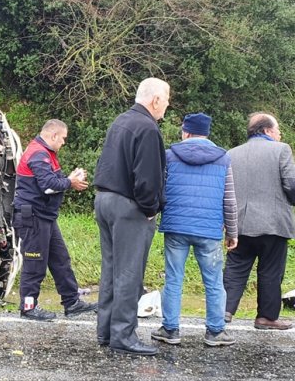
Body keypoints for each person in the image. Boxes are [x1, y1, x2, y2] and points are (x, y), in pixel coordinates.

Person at [93, 77, 170, 356]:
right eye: (167, 98)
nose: (168, 104)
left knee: (112, 269)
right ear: (155, 100)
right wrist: (150, 209)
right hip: (129, 206)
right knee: (128, 272)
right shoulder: (148, 128)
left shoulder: (121, 121)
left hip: (104, 199)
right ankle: (123, 335)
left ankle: (106, 331)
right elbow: (147, 178)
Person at [151, 113, 238, 347]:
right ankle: (215, 332)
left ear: (186, 132)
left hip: (176, 227)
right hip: (209, 230)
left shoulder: (169, 156)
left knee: (174, 279)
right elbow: (229, 199)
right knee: (213, 281)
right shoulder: (223, 158)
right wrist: (232, 231)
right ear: (206, 133)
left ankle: (170, 329)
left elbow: (160, 191)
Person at [13, 119, 96, 321]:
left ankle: (72, 302)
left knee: (60, 260)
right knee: (34, 263)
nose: (64, 143)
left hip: (46, 216)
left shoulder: (47, 154)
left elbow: (55, 182)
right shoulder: (38, 153)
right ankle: (28, 307)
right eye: (63, 138)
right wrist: (71, 181)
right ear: (53, 136)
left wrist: (70, 179)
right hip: (33, 216)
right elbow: (48, 186)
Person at [223, 112, 295, 330]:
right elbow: (291, 184)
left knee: (235, 269)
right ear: (266, 131)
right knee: (271, 271)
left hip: (240, 223)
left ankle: (223, 311)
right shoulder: (281, 150)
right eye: (277, 129)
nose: (279, 133)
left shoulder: (231, 153)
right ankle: (266, 317)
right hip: (273, 224)